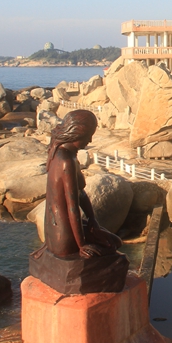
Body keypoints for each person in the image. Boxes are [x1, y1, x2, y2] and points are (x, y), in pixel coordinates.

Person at [43, 110, 122, 259]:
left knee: (113, 241)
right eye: (88, 135)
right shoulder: (66, 161)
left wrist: (92, 219)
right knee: (112, 247)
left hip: (54, 231)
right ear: (77, 133)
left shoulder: (60, 152)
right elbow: (72, 207)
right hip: (64, 236)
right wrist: (81, 245)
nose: (90, 140)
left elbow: (80, 194)